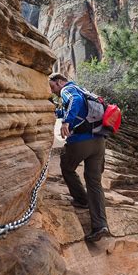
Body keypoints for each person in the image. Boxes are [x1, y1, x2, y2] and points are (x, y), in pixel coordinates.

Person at [48, 72, 110, 242]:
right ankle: (100, 226)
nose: (53, 91)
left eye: (53, 87)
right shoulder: (84, 90)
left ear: (60, 81)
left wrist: (67, 122)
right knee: (94, 182)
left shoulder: (68, 90)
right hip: (99, 142)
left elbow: (75, 101)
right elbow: (76, 108)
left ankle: (82, 200)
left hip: (80, 141)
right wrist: (58, 110)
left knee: (67, 168)